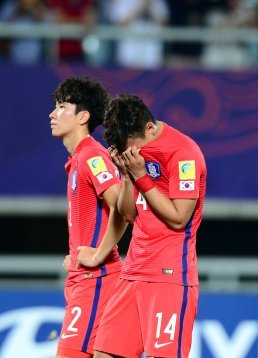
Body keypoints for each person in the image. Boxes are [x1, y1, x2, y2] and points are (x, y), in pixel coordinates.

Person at [93, 93, 206, 358]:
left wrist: (142, 176)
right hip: (133, 271)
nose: (132, 153)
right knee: (104, 355)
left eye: (133, 146)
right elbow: (129, 215)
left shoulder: (184, 153)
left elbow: (179, 218)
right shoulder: (133, 156)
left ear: (150, 128)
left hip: (168, 276)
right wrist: (128, 177)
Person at [49, 76, 127, 358]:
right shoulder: (79, 159)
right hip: (85, 278)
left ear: (83, 116)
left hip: (97, 279)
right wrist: (78, 253)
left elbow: (122, 207)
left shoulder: (92, 157)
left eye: (61, 107)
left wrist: (98, 254)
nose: (52, 114)